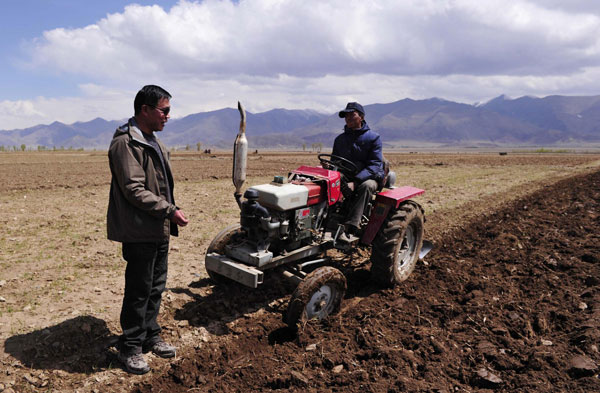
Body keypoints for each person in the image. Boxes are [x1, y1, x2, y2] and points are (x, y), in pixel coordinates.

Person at [107, 85, 189, 374]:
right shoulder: (126, 143)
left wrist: (167, 215)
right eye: (164, 110)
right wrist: (169, 210)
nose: (168, 116)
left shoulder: (152, 140)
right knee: (139, 289)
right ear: (145, 109)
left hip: (158, 228)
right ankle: (129, 347)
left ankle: (150, 335)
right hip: (140, 228)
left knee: (155, 285)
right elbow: (133, 189)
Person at [332, 102, 384, 242]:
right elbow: (335, 161)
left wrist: (355, 182)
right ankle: (328, 218)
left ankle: (350, 227)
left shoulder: (373, 137)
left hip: (368, 176)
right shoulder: (340, 139)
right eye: (346, 115)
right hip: (347, 174)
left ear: (361, 117)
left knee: (366, 186)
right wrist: (329, 166)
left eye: (352, 115)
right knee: (330, 180)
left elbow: (374, 165)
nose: (348, 118)